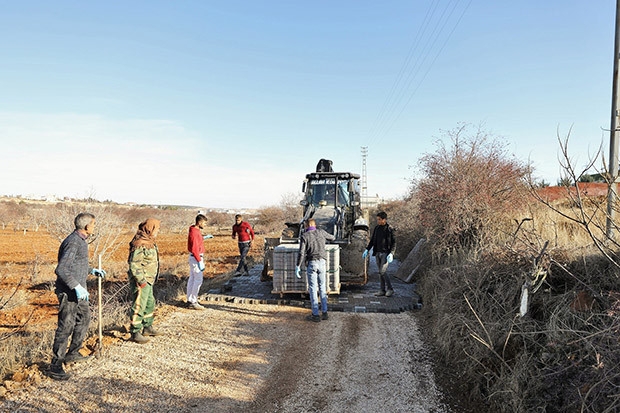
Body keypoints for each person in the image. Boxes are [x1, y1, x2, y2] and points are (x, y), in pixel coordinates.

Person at [48, 213, 106, 380]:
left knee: (84, 318)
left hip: (79, 292)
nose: (94, 227)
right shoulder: (73, 242)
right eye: (93, 224)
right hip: (69, 292)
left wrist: (91, 270)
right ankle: (55, 366)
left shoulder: (81, 241)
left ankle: (73, 352)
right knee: (65, 326)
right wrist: (76, 286)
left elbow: (75, 264)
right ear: (87, 226)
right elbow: (62, 269)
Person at [127, 218, 161, 344]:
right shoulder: (139, 244)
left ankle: (147, 326)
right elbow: (134, 264)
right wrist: (141, 280)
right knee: (139, 305)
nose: (158, 231)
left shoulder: (150, 242)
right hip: (142, 280)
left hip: (149, 279)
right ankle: (135, 331)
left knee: (149, 303)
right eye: (156, 228)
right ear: (149, 229)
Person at [295, 218, 335, 322]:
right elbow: (332, 237)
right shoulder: (321, 232)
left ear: (306, 226)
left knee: (313, 289)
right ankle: (325, 313)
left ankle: (316, 315)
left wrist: (297, 266)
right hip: (322, 262)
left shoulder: (304, 236)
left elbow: (301, 253)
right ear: (314, 225)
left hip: (312, 263)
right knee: (322, 287)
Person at [363, 211, 396, 297]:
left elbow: (394, 243)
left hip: (386, 253)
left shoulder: (389, 229)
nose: (378, 221)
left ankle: (390, 289)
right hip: (378, 252)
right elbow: (372, 241)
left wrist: (392, 253)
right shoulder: (377, 228)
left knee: (383, 271)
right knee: (380, 272)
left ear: (384, 220)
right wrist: (367, 249)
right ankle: (382, 290)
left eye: (379, 219)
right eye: (377, 219)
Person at [187, 214, 208, 309]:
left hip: (194, 257)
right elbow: (195, 248)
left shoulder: (194, 230)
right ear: (199, 222)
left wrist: (204, 238)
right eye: (204, 223)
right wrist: (199, 261)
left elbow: (196, 242)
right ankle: (193, 301)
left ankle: (190, 299)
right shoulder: (195, 232)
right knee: (198, 279)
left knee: (192, 278)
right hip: (196, 257)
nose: (205, 225)